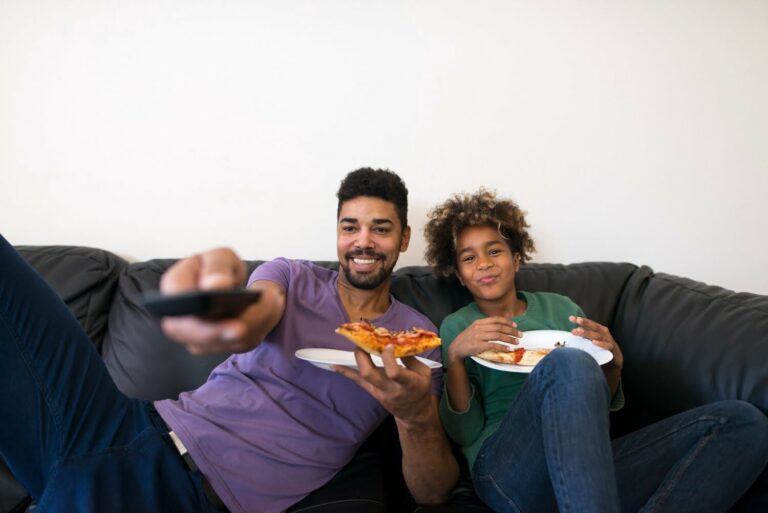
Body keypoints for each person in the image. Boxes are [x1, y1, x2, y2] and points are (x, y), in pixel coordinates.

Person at [0, 168, 459, 513]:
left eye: (380, 228)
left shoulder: (415, 340)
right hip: (132, 427)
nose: (363, 241)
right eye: (349, 227)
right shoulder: (291, 275)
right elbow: (259, 309)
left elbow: (432, 492)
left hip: (187, 493)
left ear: (404, 239)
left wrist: (415, 417)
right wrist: (226, 317)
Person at [422, 188, 768, 513]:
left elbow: (593, 415)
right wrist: (454, 357)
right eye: (469, 258)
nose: (483, 263)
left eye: (494, 250)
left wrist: (613, 364)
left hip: (585, 471)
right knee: (569, 361)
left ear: (516, 258)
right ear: (461, 276)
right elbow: (464, 435)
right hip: (505, 473)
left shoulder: (560, 307)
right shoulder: (458, 326)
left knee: (743, 421)